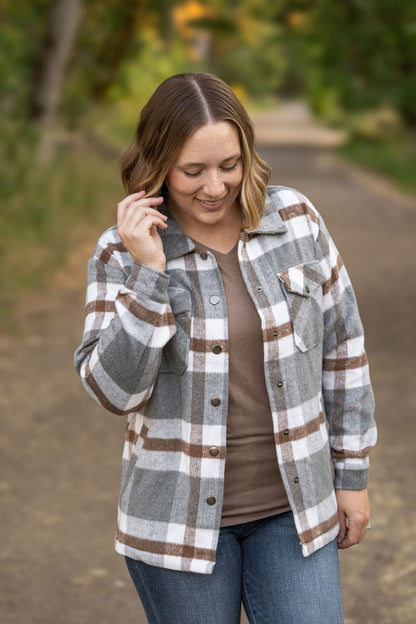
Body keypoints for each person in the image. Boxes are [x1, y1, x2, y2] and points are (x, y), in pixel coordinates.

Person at [74, 72, 376, 624]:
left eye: (228, 165)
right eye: (193, 171)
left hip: (295, 509)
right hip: (176, 526)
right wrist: (149, 274)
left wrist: (351, 477)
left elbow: (343, 349)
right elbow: (112, 391)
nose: (214, 187)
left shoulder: (296, 221)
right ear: (158, 163)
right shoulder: (121, 250)